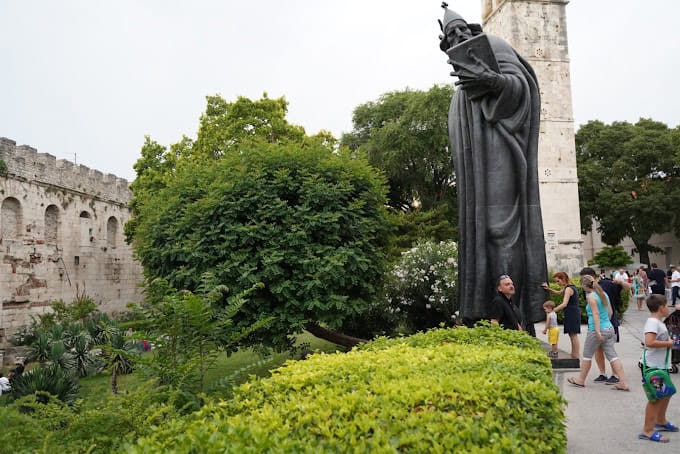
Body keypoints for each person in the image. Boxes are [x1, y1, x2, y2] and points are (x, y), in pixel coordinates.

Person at [438, 3, 548, 327]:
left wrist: (490, 79)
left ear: (472, 30)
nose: (458, 37)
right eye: (450, 36)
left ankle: (515, 311)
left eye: (461, 31)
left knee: (501, 228)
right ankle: (487, 313)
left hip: (501, 148)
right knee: (482, 230)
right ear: (445, 44)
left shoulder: (494, 46)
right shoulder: (460, 74)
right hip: (476, 168)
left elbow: (521, 87)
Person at [567, 275, 629, 391]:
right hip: (609, 327)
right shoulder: (603, 294)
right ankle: (623, 383)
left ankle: (581, 380)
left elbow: (595, 314)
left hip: (597, 330)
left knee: (587, 355)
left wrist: (597, 331)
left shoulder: (591, 297)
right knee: (613, 356)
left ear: (584, 285)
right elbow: (610, 311)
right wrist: (606, 324)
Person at [638, 294, 678, 443]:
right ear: (661, 308)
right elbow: (649, 342)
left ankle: (660, 421)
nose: (669, 308)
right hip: (653, 367)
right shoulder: (653, 323)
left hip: (660, 365)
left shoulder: (657, 322)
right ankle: (647, 430)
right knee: (655, 398)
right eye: (667, 306)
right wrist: (668, 343)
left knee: (666, 393)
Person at [580, 267, 630, 384]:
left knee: (590, 354)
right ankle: (603, 374)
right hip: (607, 324)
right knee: (604, 351)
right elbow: (608, 310)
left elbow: (596, 313)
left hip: (602, 325)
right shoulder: (594, 292)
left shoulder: (607, 284)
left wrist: (620, 281)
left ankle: (614, 375)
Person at [542, 272, 581, 358]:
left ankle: (575, 355)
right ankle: (574, 354)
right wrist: (549, 289)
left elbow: (564, 304)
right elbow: (559, 293)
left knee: (573, 334)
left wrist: (552, 311)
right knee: (572, 334)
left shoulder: (568, 289)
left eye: (558, 281)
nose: (557, 283)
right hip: (572, 312)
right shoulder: (569, 287)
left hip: (572, 313)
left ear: (563, 279)